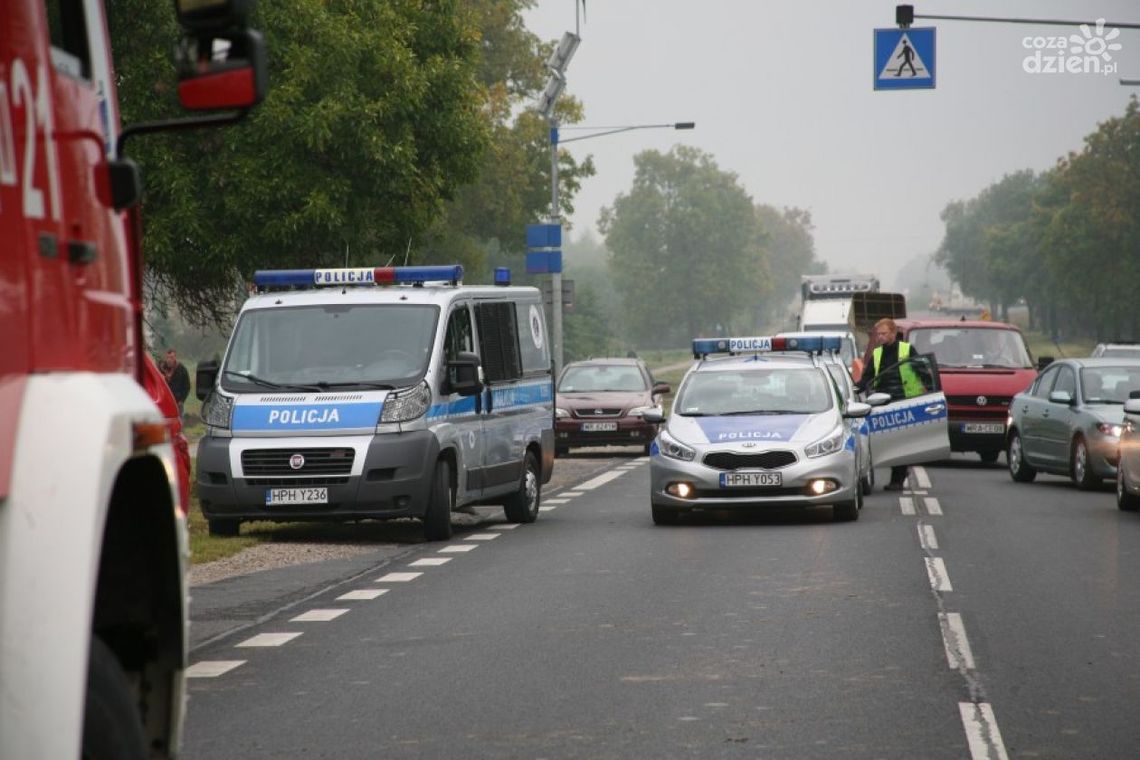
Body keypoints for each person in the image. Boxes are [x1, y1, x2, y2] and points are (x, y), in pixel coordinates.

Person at [857, 318, 925, 491]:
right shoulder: (877, 353)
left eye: (884, 333)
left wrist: (928, 389)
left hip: (904, 400)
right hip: (883, 401)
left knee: (900, 440)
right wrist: (856, 387)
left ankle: (898, 478)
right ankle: (899, 472)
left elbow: (922, 370)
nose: (880, 337)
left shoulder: (907, 349)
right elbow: (868, 377)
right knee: (889, 440)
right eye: (878, 334)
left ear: (894, 333)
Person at [161, 348, 191, 416]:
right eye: (167, 357)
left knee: (178, 421)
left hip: (177, 402)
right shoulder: (162, 368)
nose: (169, 360)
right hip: (165, 401)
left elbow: (187, 386)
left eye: (171, 357)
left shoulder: (182, 369)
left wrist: (182, 400)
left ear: (175, 358)